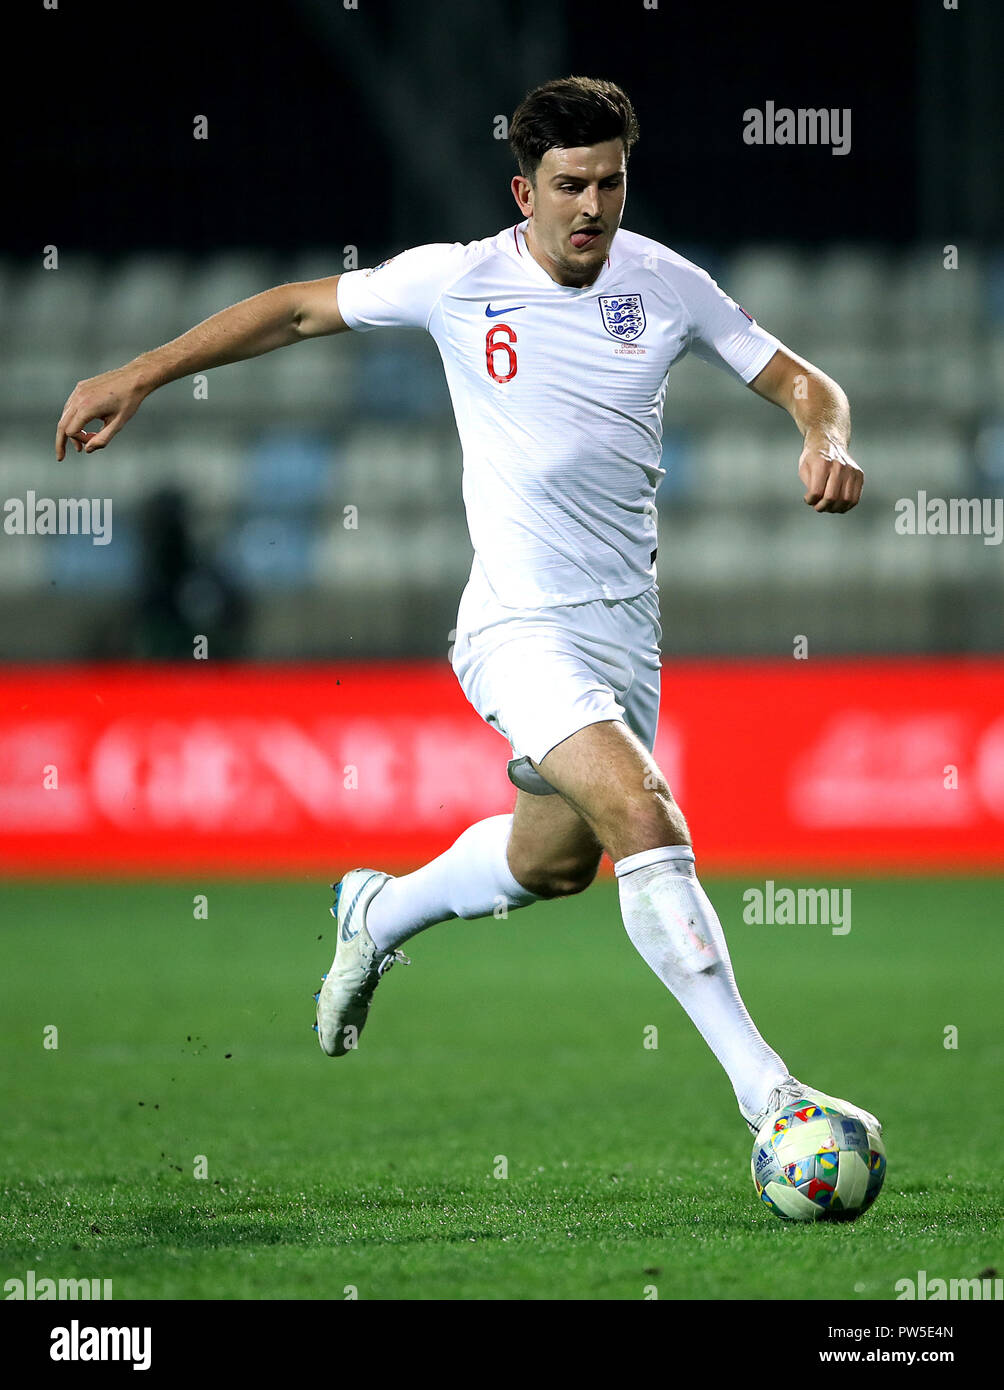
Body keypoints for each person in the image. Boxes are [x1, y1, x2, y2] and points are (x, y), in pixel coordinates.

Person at [55, 76, 878, 1144]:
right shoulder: (457, 280)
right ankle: (770, 1097)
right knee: (644, 814)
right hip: (514, 626)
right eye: (569, 185)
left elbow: (799, 379)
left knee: (556, 863)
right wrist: (143, 372)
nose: (592, 206)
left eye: (610, 183)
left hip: (623, 629)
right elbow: (299, 307)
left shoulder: (664, 283)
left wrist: (828, 434)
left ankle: (377, 909)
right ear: (522, 189)